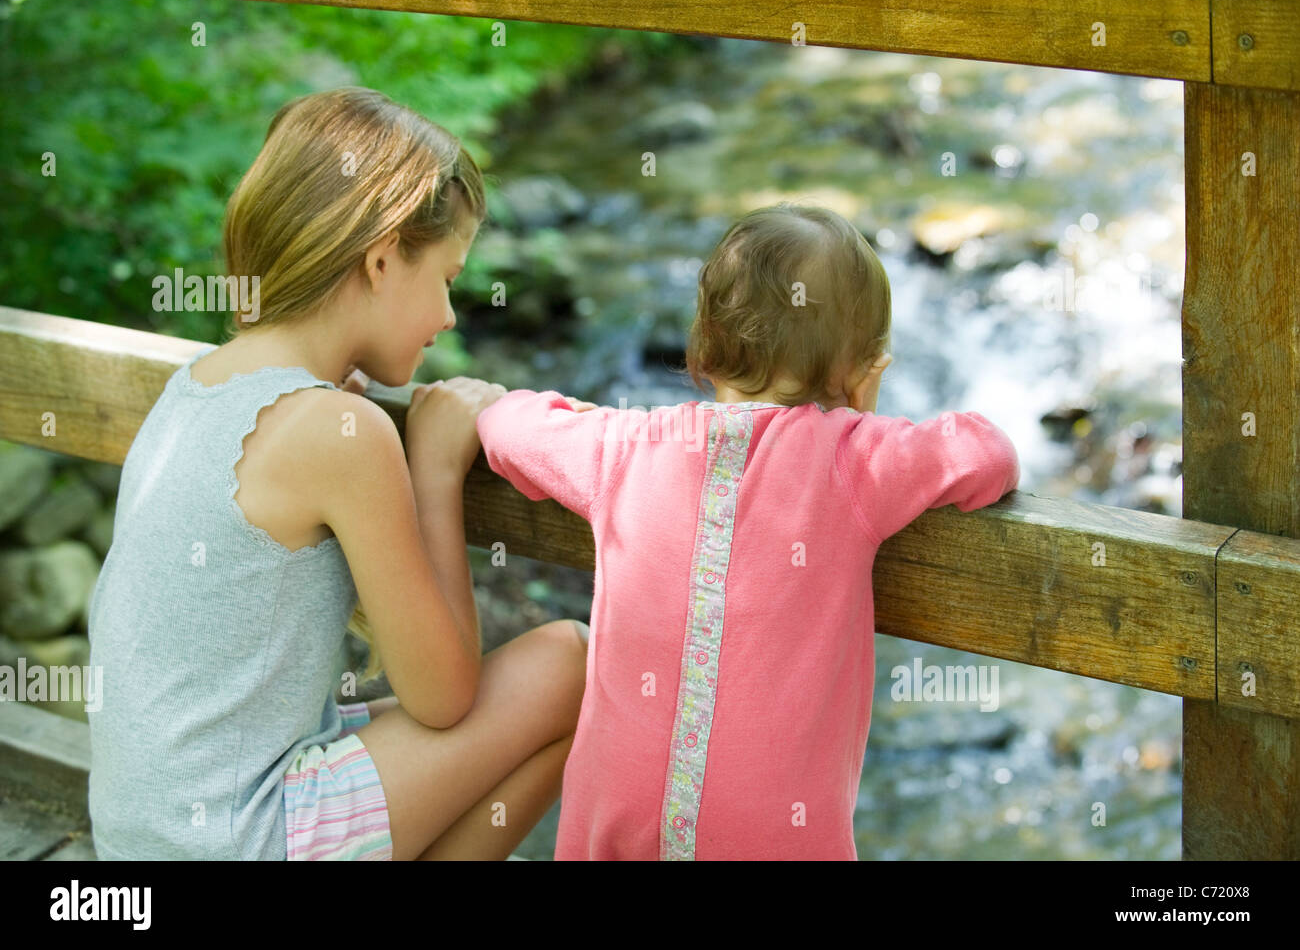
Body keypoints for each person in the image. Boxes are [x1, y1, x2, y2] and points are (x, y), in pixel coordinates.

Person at [87, 86, 589, 861]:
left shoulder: (195, 385)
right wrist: (433, 463)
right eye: (447, 278)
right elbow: (445, 697)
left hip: (139, 838)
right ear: (383, 257)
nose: (450, 316)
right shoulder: (340, 431)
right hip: (238, 837)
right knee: (570, 665)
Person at [475, 203, 1021, 859]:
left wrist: (563, 411)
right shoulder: (854, 459)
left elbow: (504, 425)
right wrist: (865, 413)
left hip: (617, 810)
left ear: (702, 346)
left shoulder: (627, 443)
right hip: (771, 833)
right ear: (862, 371)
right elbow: (988, 453)